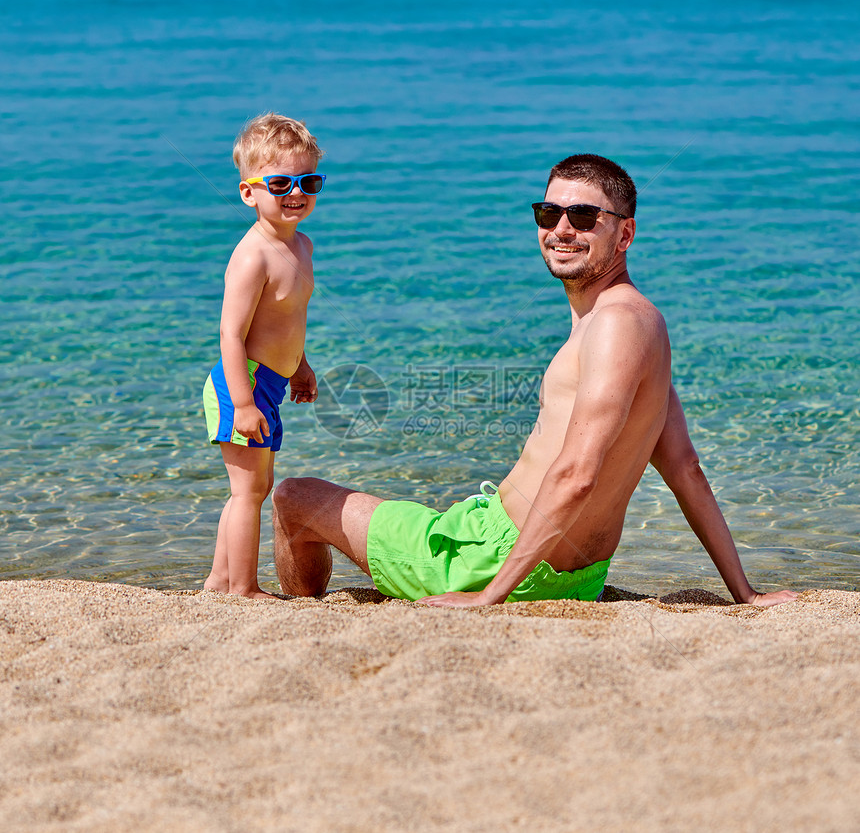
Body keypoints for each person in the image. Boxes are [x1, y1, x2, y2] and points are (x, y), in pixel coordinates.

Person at [271, 154, 797, 608]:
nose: (562, 229)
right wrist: (744, 595)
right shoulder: (644, 322)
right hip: (578, 578)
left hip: (495, 562)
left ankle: (297, 620)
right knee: (411, 516)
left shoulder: (614, 324)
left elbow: (576, 475)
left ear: (625, 233)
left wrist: (487, 595)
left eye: (585, 216)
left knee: (293, 498)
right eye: (549, 213)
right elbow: (684, 467)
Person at [202, 113, 323, 599]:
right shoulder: (253, 255)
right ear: (249, 192)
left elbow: (288, 321)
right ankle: (243, 589)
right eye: (280, 183)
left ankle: (218, 581)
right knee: (247, 493)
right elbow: (232, 335)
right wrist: (244, 402)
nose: (296, 192)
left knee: (253, 490)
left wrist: (301, 366)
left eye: (308, 181)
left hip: (269, 382)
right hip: (242, 383)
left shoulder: (302, 245)